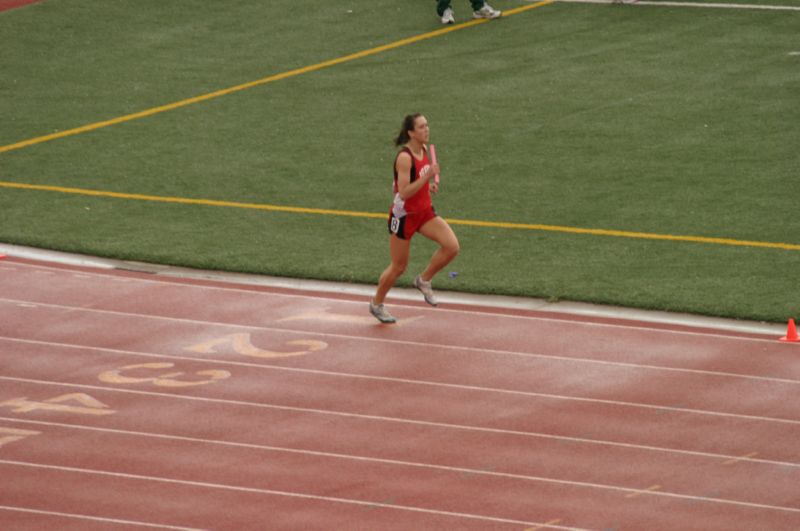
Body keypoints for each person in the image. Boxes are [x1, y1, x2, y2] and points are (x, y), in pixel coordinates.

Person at [369, 114, 460, 324]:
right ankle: (376, 304)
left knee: (451, 246)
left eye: (427, 125)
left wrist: (428, 186)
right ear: (411, 132)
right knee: (398, 267)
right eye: (421, 127)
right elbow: (404, 192)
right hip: (404, 217)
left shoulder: (425, 150)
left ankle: (424, 280)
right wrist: (426, 178)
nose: (426, 130)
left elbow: (418, 185)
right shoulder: (405, 158)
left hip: (424, 212)